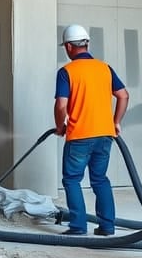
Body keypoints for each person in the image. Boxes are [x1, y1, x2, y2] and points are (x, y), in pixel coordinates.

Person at [54, 24, 130, 236]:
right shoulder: (105, 68)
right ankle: (107, 226)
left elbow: (61, 105)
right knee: (100, 179)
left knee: (71, 180)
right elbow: (124, 95)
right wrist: (115, 122)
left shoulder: (66, 72)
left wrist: (60, 126)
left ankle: (78, 226)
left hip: (79, 135)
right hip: (105, 136)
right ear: (87, 43)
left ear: (68, 47)